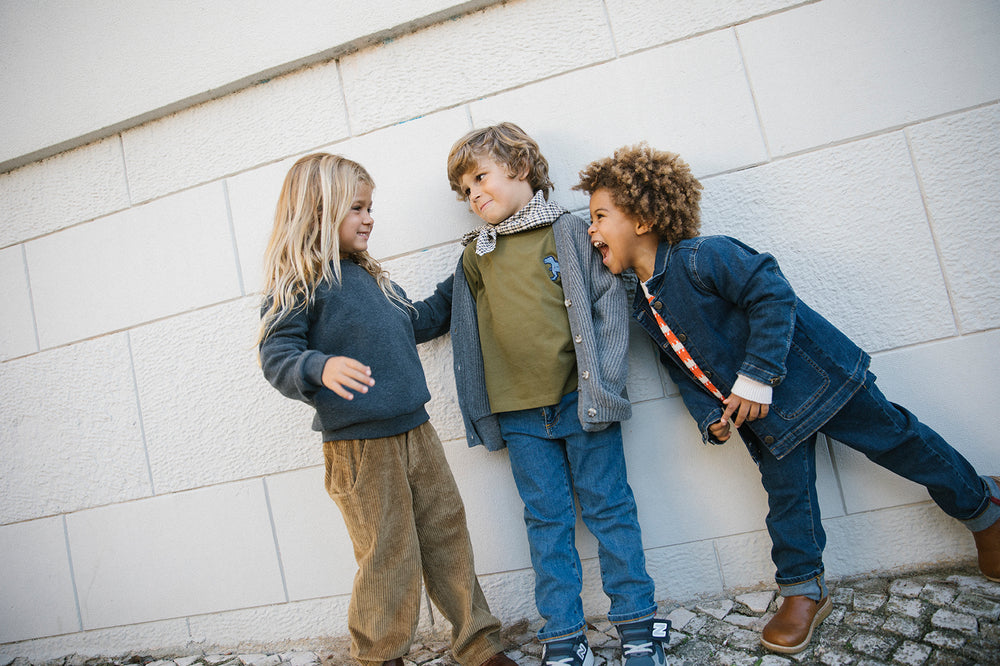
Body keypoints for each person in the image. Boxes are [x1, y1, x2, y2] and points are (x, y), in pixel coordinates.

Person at [574, 142, 1000, 655]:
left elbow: (771, 293)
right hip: (766, 418)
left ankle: (984, 508)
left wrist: (756, 375)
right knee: (788, 497)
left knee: (901, 443)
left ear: (642, 218)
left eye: (600, 216)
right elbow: (681, 365)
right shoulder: (642, 301)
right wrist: (711, 415)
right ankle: (803, 589)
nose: (592, 230)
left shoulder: (703, 257)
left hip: (819, 378)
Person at [257, 153, 515, 666]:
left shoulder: (373, 279)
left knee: (448, 535)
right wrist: (318, 367)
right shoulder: (299, 282)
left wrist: (464, 272)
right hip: (359, 447)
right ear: (317, 211)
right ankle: (380, 656)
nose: (369, 217)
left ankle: (479, 647)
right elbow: (276, 356)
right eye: (356, 207)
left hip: (416, 433)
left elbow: (418, 321)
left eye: (370, 206)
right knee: (387, 554)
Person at [445, 123, 671, 666]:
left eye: (481, 177)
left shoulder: (569, 232)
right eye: (464, 190)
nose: (474, 194)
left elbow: (609, 306)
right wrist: (481, 415)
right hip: (520, 416)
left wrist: (608, 384)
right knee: (545, 522)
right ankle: (565, 635)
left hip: (582, 402)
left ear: (520, 168)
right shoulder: (476, 256)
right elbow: (467, 336)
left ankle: (639, 625)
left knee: (610, 510)